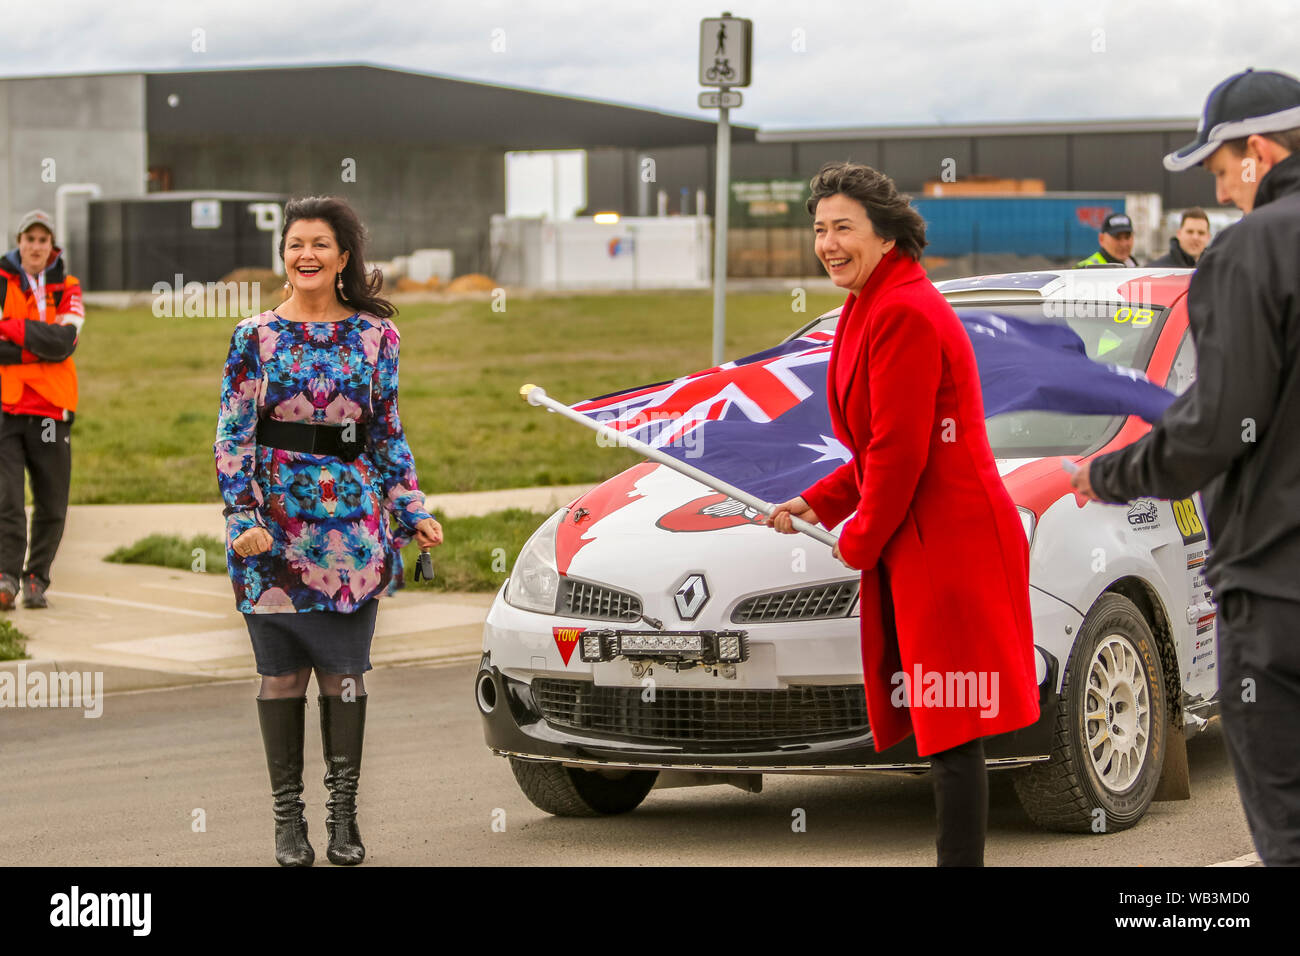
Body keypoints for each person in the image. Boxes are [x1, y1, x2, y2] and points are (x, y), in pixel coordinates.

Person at [765, 162, 1040, 866]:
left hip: (952, 543)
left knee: (951, 729)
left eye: (843, 228)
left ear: (885, 237)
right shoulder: (870, 302)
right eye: (820, 229)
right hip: (920, 539)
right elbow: (878, 444)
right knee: (941, 723)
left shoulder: (905, 311)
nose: (827, 242)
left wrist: (857, 537)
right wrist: (820, 500)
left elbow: (901, 452)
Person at [1073, 68, 1300, 866]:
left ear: (1259, 152)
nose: (1220, 186)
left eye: (1217, 166)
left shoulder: (1252, 255)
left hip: (1279, 591)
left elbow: (1212, 430)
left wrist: (1106, 474)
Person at [214, 196, 443, 866]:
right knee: (281, 677)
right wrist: (242, 515)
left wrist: (412, 509)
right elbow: (233, 436)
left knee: (345, 677)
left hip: (351, 529)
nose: (305, 255)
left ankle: (344, 821)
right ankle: (290, 825)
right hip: (271, 530)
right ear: (281, 256)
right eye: (295, 245)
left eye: (320, 244)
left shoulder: (376, 336)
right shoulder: (252, 336)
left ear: (344, 256)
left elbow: (388, 434)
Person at [0, 210, 84, 612]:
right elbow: (49, 345)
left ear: (53, 245)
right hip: (7, 407)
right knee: (8, 501)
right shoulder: (1, 281)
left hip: (52, 410)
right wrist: (41, 347)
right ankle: (6, 578)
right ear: (19, 241)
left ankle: (37, 578)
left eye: (42, 239)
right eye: (29, 238)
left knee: (52, 503)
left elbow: (65, 342)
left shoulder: (68, 286)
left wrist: (12, 328)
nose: (35, 246)